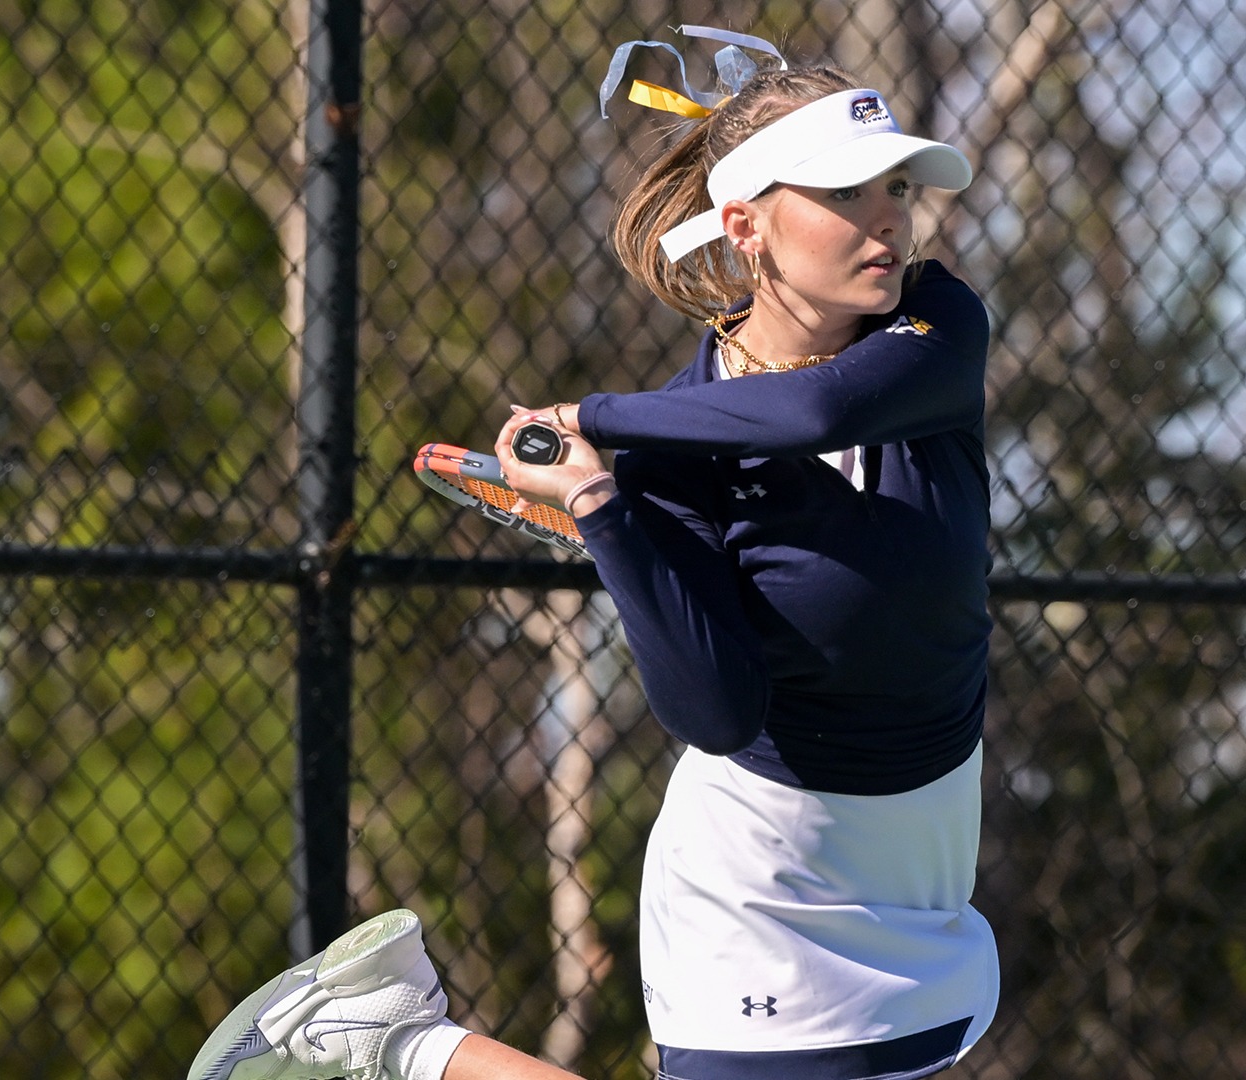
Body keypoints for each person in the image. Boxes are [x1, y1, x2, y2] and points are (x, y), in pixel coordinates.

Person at [189, 27, 996, 1080]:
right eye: (844, 192)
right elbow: (715, 713)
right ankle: (400, 1044)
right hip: (768, 880)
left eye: (893, 186)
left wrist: (593, 417)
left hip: (927, 859)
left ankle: (398, 1041)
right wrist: (604, 510)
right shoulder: (667, 462)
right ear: (746, 226)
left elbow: (818, 409)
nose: (885, 215)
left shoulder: (936, 324)